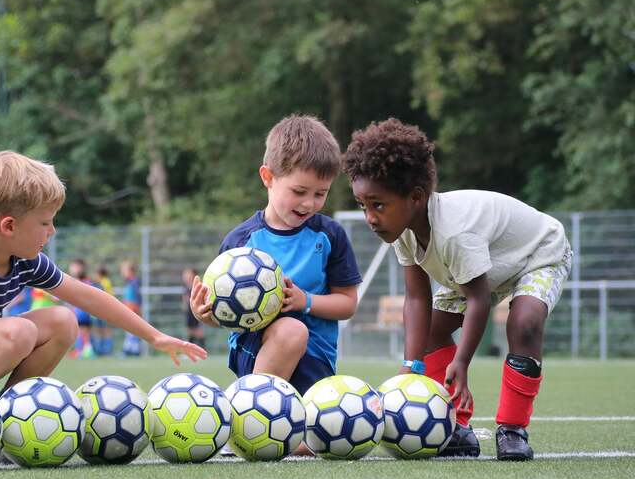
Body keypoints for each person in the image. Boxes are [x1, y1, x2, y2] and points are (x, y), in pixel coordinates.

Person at [0, 150, 205, 402]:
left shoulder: (25, 260)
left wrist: (154, 336)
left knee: (64, 321)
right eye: (45, 223)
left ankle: (9, 415)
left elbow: (88, 296)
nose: (52, 232)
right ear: (9, 226)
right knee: (19, 331)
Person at [343, 117, 572, 461]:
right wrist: (411, 365)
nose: (370, 218)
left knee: (523, 322)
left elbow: (479, 300)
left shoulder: (455, 233)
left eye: (378, 205)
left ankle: (512, 430)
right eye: (363, 206)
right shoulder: (403, 230)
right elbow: (417, 298)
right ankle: (454, 427)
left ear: (416, 197)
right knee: (432, 331)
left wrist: (462, 363)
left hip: (536, 253)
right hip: (474, 267)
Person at [190, 115, 361, 400]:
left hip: (316, 357)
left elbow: (347, 303)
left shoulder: (329, 236)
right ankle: (248, 413)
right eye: (299, 191)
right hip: (256, 351)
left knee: (309, 444)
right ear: (268, 177)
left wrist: (305, 301)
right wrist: (204, 314)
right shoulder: (241, 243)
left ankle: (265, 422)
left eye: (321, 194)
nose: (310, 203)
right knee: (292, 331)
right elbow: (225, 317)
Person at [66, 258, 95, 359]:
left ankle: (85, 351)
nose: (73, 269)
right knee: (82, 333)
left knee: (83, 333)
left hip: (82, 312)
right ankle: (84, 351)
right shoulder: (74, 280)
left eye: (75, 267)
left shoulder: (85, 281)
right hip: (78, 312)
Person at [119, 259, 142, 356]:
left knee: (133, 331)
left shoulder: (134, 282)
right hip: (129, 310)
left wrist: (135, 309)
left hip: (133, 310)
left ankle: (132, 350)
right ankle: (129, 349)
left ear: (130, 271)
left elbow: (136, 298)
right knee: (130, 331)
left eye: (124, 271)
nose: (122, 273)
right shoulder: (129, 283)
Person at [91, 266, 115, 355]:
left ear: (99, 274)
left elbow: (103, 296)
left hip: (104, 310)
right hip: (100, 310)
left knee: (105, 330)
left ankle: (106, 350)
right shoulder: (102, 282)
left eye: (96, 274)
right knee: (100, 330)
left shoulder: (105, 282)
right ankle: (101, 349)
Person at [181, 267, 205, 349]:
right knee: (190, 331)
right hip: (188, 312)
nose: (186, 276)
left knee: (197, 331)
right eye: (185, 274)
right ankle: (191, 350)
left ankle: (202, 348)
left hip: (194, 311)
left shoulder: (196, 286)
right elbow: (185, 300)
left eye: (188, 274)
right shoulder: (186, 287)